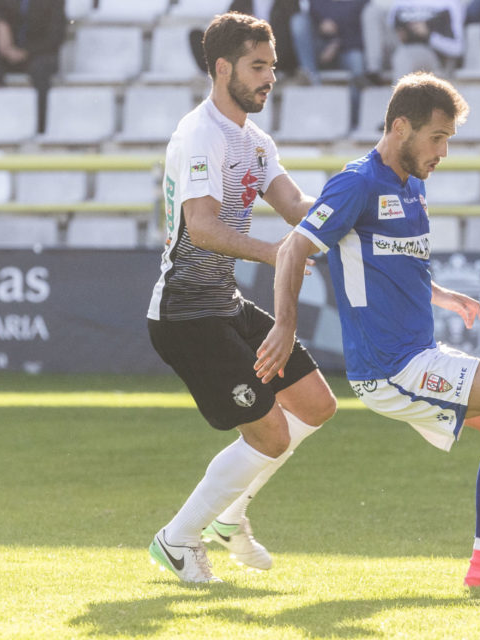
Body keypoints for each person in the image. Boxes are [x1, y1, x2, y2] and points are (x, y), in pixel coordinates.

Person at [255, 72, 480, 588]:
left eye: (448, 140)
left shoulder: (412, 185)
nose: (443, 152)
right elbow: (295, 247)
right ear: (400, 126)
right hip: (390, 365)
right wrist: (287, 327)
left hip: (414, 354)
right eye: (437, 138)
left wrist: (441, 294)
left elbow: (396, 261)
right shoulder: (358, 182)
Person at [147, 12, 337, 584]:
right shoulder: (199, 133)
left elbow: (296, 206)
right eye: (258, 67)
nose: (269, 78)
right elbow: (201, 227)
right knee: (270, 432)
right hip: (185, 314)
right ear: (223, 67)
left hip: (223, 303)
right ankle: (177, 541)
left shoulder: (255, 141)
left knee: (317, 405)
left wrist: (352, 214)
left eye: (273, 67)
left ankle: (229, 514)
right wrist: (281, 253)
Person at [0, 0, 66, 134]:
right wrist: (0, 25)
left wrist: (26, 52)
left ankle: (40, 128)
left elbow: (56, 35)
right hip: (6, 52)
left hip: (38, 53)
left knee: (41, 69)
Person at [190, 1, 309, 79]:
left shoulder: (287, 3)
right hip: (245, 49)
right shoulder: (242, 2)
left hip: (275, 53)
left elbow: (293, 34)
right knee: (197, 35)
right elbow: (226, 24)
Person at [387, 0, 464, 78]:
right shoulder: (398, 3)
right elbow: (390, 31)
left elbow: (457, 49)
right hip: (398, 49)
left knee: (404, 56)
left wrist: (428, 35)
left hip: (432, 53)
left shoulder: (448, 3)